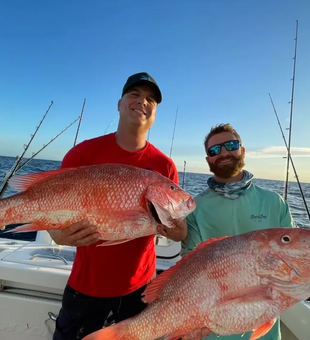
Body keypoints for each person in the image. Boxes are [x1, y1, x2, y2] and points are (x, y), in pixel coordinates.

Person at [50, 72, 187, 340]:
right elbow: (52, 208)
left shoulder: (165, 166)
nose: (142, 102)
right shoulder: (82, 154)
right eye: (134, 95)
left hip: (140, 288)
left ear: (156, 113)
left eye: (150, 99)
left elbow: (179, 231)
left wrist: (176, 229)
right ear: (119, 103)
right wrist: (59, 235)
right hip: (85, 285)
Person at [182, 123, 295, 340]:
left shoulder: (274, 202)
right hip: (210, 328)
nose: (223, 153)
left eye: (230, 145)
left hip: (266, 333)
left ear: (242, 150)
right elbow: (188, 265)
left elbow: (297, 260)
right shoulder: (195, 207)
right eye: (214, 150)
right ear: (208, 160)